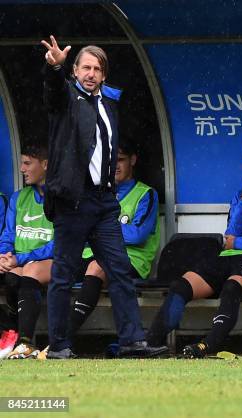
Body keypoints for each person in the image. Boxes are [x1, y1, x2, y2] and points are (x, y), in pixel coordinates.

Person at [41, 36, 165, 358]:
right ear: (75, 71)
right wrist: (55, 67)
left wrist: (108, 190)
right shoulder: (66, 97)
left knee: (119, 270)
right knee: (63, 275)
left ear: (104, 75)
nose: (91, 73)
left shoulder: (108, 104)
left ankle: (132, 341)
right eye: (86, 68)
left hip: (104, 202)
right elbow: (53, 93)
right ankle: (58, 346)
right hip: (73, 200)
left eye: (97, 69)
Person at [146, 135, 242, 358]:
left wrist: (239, 242)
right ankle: (151, 343)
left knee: (232, 288)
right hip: (229, 255)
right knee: (181, 285)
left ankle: (209, 344)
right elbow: (231, 234)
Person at [68, 142, 160, 339]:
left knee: (97, 266)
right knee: (47, 268)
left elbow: (137, 234)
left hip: (131, 259)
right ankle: (21, 338)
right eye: (110, 161)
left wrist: (99, 228)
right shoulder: (96, 193)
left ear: (133, 160)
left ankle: (62, 339)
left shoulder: (146, 194)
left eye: (120, 160)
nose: (114, 166)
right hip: (90, 255)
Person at [0, 144, 53, 359]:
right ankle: (10, 330)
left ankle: (25, 342)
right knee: (13, 278)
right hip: (18, 262)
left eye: (27, 163)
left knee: (27, 272)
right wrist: (3, 256)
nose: (22, 168)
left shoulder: (62, 199)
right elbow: (7, 235)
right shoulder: (18, 198)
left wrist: (19, 259)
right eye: (21, 163)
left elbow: (62, 244)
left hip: (51, 262)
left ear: (46, 164)